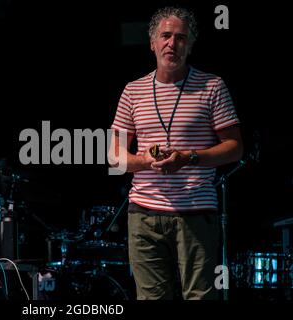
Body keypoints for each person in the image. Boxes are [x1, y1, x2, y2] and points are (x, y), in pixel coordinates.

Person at [110, 7, 243, 300]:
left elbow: (235, 148)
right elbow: (114, 156)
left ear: (191, 45)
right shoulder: (133, 90)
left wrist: (188, 158)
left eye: (181, 38)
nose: (172, 43)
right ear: (152, 43)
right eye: (166, 36)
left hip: (195, 213)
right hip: (144, 215)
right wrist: (146, 161)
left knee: (199, 297)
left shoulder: (212, 86)